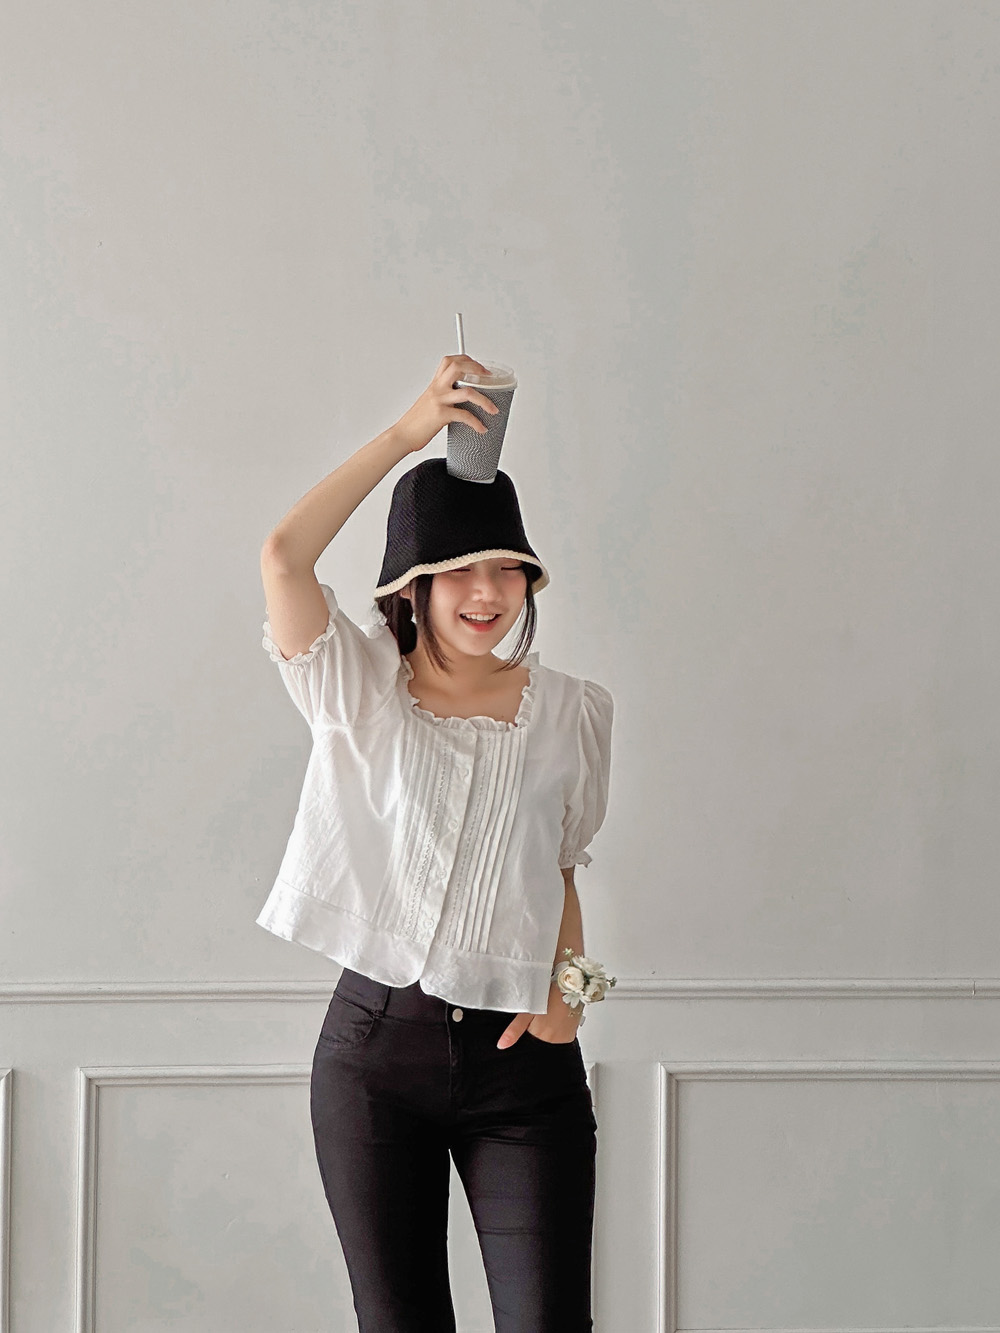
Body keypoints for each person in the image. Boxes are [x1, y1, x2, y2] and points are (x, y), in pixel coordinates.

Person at [257, 354, 615, 1332]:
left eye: (506, 566)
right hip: (375, 1057)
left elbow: (559, 868)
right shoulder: (354, 689)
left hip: (522, 1069)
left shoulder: (573, 713)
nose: (486, 590)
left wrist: (569, 999)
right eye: (457, 568)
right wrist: (409, 433)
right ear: (411, 583)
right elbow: (284, 556)